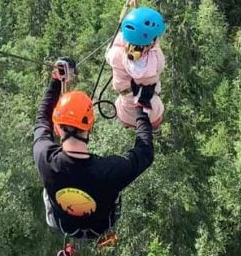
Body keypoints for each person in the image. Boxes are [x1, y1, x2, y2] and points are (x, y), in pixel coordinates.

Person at [33, 57, 154, 240]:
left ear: (57, 128)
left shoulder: (44, 158)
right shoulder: (110, 170)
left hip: (62, 221)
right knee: (114, 189)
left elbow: (43, 119)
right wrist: (141, 108)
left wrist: (57, 81)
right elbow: (145, 152)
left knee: (47, 189)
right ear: (89, 127)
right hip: (100, 224)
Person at [106, 6, 166, 129]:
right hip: (151, 112)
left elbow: (115, 44)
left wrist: (132, 22)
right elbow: (155, 46)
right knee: (157, 118)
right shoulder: (156, 61)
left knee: (124, 99)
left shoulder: (115, 54)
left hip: (125, 111)